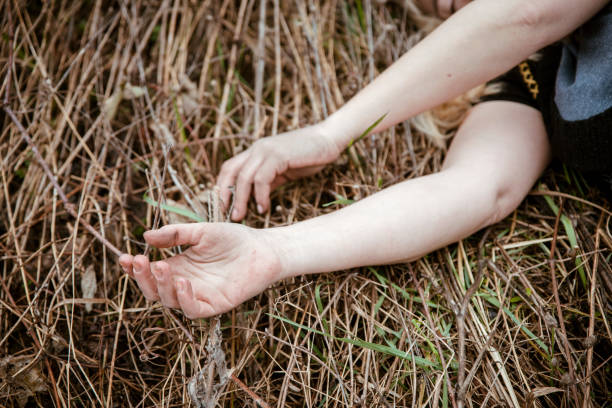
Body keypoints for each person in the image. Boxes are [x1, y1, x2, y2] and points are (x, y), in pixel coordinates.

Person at [119, 0, 611, 319]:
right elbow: (476, 189)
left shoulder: (533, 18)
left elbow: (525, 13)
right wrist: (274, 251)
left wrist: (330, 133)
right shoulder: (533, 76)